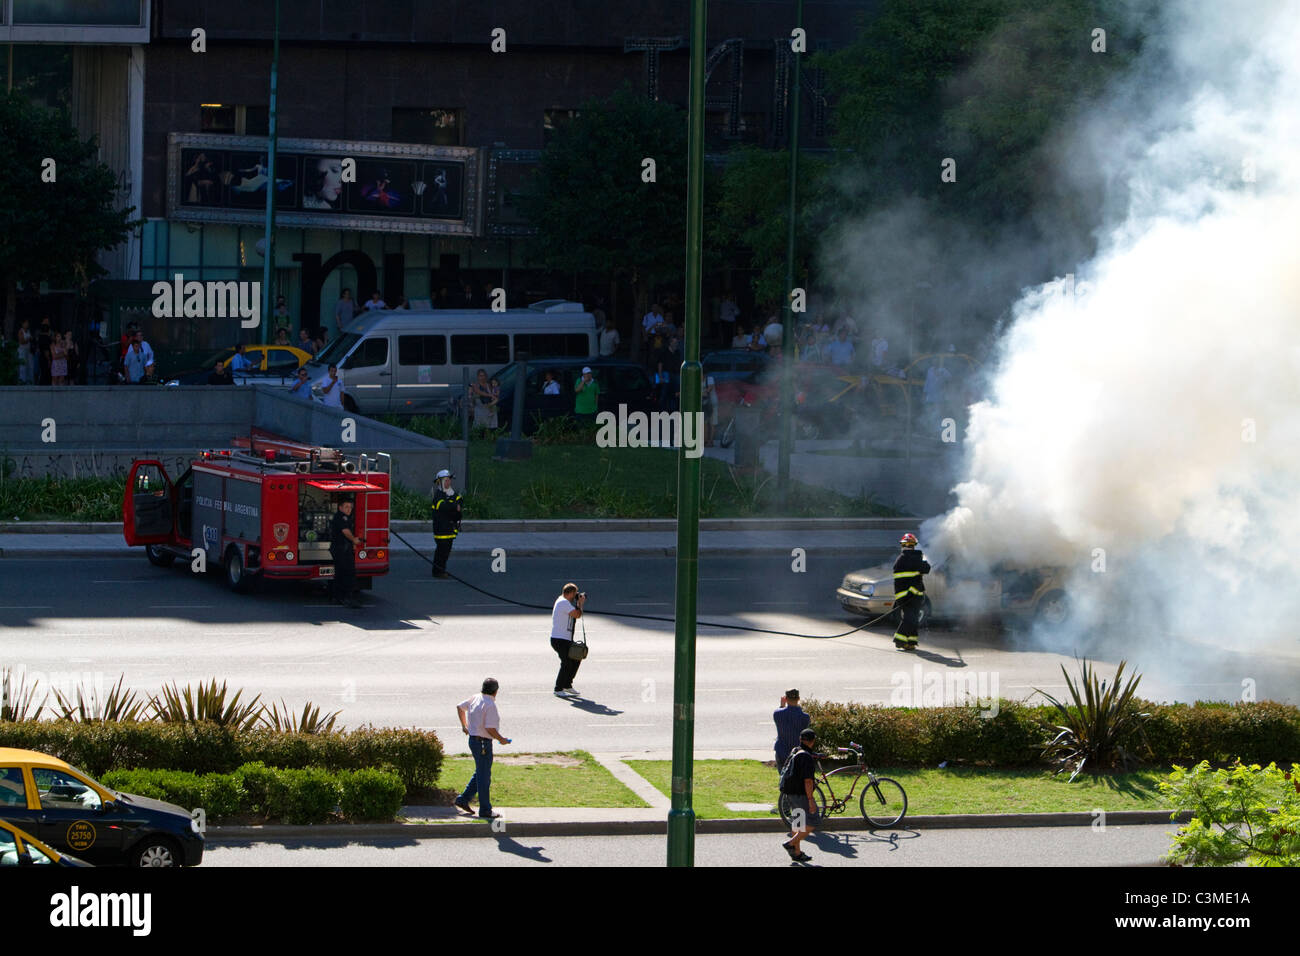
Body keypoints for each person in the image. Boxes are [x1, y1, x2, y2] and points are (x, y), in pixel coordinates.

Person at [453, 678, 511, 820]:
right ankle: (485, 809)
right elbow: (490, 728)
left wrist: (464, 726)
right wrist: (501, 739)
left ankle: (464, 799)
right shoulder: (490, 704)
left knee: (481, 771)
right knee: (484, 777)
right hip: (484, 743)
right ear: (496, 691)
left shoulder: (475, 697)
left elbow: (460, 707)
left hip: (473, 740)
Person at [780, 728, 821, 862]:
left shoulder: (796, 750)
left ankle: (796, 853)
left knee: (798, 823)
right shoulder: (806, 757)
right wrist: (810, 800)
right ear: (812, 741)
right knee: (814, 820)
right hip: (800, 794)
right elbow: (808, 781)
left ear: (801, 740)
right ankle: (791, 844)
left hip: (789, 792)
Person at [892, 532, 930, 651]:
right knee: (911, 618)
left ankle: (911, 642)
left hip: (905, 595)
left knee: (912, 618)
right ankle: (900, 640)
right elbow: (926, 569)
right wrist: (923, 559)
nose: (908, 547)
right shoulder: (915, 558)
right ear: (914, 545)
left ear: (903, 545)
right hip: (912, 595)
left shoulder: (900, 559)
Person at [550, 583, 587, 697]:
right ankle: (558, 688)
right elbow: (577, 615)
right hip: (559, 639)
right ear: (570, 593)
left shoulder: (563, 601)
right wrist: (580, 604)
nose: (576, 595)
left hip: (564, 638)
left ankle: (567, 685)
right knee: (566, 663)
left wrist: (578, 603)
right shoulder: (563, 603)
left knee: (576, 659)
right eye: (575, 593)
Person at [329, 497, 362, 608]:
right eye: (346, 507)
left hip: (341, 548)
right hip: (341, 549)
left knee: (339, 573)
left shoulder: (344, 517)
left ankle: (337, 597)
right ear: (340, 508)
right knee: (348, 573)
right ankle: (347, 598)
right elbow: (345, 531)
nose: (349, 509)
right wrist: (354, 540)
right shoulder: (341, 517)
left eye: (350, 507)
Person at [430, 469, 462, 579]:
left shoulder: (453, 494)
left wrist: (454, 506)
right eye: (446, 481)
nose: (448, 483)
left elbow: (459, 503)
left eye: (449, 480)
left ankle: (441, 570)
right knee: (441, 552)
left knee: (446, 552)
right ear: (441, 482)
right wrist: (453, 506)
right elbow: (443, 506)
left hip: (450, 530)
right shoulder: (438, 496)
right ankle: (438, 571)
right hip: (441, 530)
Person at [773, 689, 811, 771]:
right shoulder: (805, 717)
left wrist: (782, 706)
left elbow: (779, 711)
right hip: (797, 753)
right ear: (798, 698)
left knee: (783, 777)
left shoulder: (777, 714)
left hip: (781, 751)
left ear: (786, 699)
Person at [16, 319, 32, 384]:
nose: (27, 324)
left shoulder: (28, 331)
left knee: (29, 366)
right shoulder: (21, 331)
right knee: (22, 366)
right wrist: (28, 339)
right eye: (25, 323)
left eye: (27, 323)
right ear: (23, 324)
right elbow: (21, 341)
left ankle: (28, 381)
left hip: (28, 351)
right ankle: (22, 380)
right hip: (22, 351)